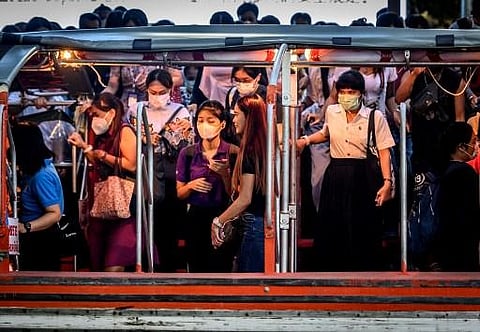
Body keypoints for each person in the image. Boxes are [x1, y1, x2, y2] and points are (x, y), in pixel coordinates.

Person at [296, 70, 395, 271]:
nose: (346, 96)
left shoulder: (375, 117)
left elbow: (384, 152)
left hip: (363, 174)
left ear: (361, 94)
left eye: (351, 92)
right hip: (337, 173)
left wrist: (387, 182)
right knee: (334, 224)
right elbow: (326, 134)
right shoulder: (332, 112)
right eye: (343, 92)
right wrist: (305, 141)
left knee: (361, 224)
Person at [130, 68, 193, 272]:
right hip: (146, 170)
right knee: (148, 221)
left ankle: (169, 268)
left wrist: (165, 136)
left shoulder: (180, 111)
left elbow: (185, 142)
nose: (157, 96)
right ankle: (148, 264)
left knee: (170, 224)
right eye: (153, 92)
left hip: (171, 171)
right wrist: (144, 138)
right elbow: (129, 135)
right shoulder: (137, 110)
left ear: (170, 89)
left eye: (162, 92)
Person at [67, 92, 137, 272]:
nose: (95, 120)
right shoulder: (102, 136)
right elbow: (96, 162)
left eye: (97, 114)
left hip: (123, 206)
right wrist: (84, 146)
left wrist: (106, 156)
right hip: (101, 203)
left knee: (114, 263)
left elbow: (132, 164)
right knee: (97, 261)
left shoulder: (125, 131)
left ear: (111, 113)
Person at [176, 100, 239, 272]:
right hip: (196, 216)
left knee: (221, 266)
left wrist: (224, 174)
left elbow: (237, 195)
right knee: (196, 266)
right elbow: (179, 193)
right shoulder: (187, 153)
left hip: (223, 216)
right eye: (201, 120)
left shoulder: (233, 152)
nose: (205, 125)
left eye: (211, 121)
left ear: (222, 124)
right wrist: (191, 186)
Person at [211, 94, 267, 272]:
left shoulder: (250, 151)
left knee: (249, 286)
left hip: (253, 224)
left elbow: (245, 199)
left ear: (248, 117)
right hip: (256, 223)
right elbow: (238, 193)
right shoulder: (262, 148)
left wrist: (218, 221)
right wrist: (226, 174)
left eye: (236, 114)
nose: (233, 119)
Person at [10, 121, 64, 271]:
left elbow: (55, 213)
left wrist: (25, 227)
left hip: (40, 240)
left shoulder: (41, 176)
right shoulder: (38, 168)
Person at [432, 122, 480, 271]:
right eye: (473, 142)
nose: (476, 146)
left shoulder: (442, 170)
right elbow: (472, 213)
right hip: (463, 248)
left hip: (444, 246)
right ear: (461, 147)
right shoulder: (465, 173)